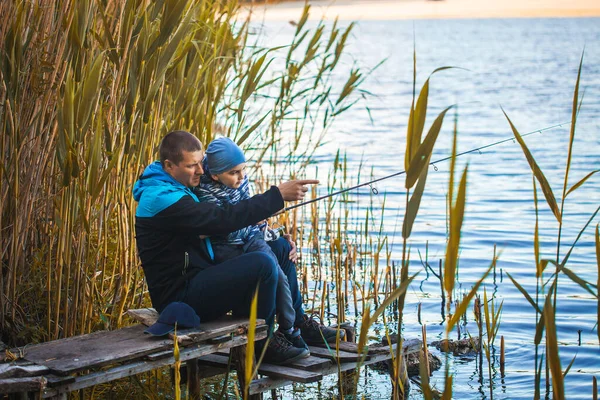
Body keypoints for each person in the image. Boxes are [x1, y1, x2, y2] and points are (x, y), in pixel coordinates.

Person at [133, 130, 343, 365]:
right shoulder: (161, 198)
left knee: (280, 248)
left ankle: (297, 324)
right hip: (181, 297)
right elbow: (221, 219)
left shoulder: (177, 183)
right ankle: (263, 344)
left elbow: (226, 217)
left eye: (201, 163)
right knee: (261, 263)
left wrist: (270, 233)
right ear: (169, 165)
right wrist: (276, 196)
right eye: (192, 166)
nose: (201, 171)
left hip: (203, 275)